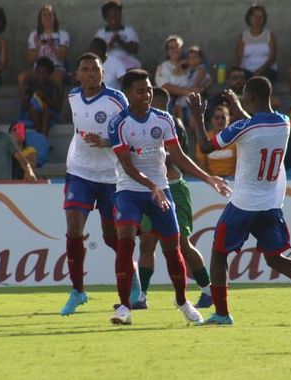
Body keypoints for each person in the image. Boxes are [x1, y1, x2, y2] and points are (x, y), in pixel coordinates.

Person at [187, 76, 291, 326]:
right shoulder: (285, 122)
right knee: (275, 258)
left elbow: (204, 147)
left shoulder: (243, 128)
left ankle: (222, 314)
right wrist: (240, 110)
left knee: (218, 253)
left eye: (244, 96)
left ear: (250, 98)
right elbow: (258, 125)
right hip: (270, 204)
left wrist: (196, 115)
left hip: (244, 204)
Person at [107, 69, 231, 325]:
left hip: (161, 190)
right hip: (129, 190)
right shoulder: (118, 123)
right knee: (126, 241)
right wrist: (151, 185)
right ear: (129, 94)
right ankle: (125, 307)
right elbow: (127, 165)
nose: (147, 95)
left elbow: (179, 157)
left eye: (149, 89)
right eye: (141, 91)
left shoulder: (163, 120)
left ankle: (182, 301)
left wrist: (208, 178)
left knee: (173, 248)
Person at [59, 52, 132, 315]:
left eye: (95, 69)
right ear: (78, 74)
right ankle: (78, 291)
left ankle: (130, 278)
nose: (91, 73)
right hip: (80, 171)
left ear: (103, 73)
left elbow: (130, 133)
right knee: (74, 228)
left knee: (111, 236)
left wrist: (107, 142)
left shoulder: (116, 99)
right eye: (85, 69)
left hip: (111, 176)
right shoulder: (73, 97)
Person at [135, 87, 214, 310]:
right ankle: (141, 296)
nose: (149, 104)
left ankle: (208, 290)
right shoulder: (141, 125)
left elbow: (170, 158)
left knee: (181, 243)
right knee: (147, 242)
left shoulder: (172, 124)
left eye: (154, 101)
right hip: (151, 191)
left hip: (174, 189)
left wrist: (135, 152)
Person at [17, 5, 70, 99]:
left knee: (58, 78)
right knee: (22, 77)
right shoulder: (34, 35)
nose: (47, 18)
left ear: (54, 18)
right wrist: (37, 47)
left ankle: (57, 109)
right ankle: (26, 106)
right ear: (40, 19)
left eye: (50, 15)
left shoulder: (63, 34)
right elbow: (30, 60)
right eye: (44, 15)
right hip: (38, 70)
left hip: (56, 69)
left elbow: (62, 57)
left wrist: (52, 46)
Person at [235, 3, 278, 82]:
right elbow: (239, 59)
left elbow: (272, 58)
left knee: (262, 80)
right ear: (249, 18)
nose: (258, 19)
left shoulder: (270, 35)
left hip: (266, 70)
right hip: (247, 70)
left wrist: (259, 71)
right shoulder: (243, 36)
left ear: (264, 19)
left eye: (261, 17)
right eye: (255, 16)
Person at [95, 1, 141, 71]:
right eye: (110, 15)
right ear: (106, 17)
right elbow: (96, 53)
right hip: (107, 63)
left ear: (120, 15)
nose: (113, 17)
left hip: (127, 63)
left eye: (116, 15)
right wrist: (111, 43)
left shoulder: (129, 30)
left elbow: (135, 50)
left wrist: (120, 41)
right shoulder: (100, 33)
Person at [22, 57, 60, 136]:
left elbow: (55, 106)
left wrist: (44, 96)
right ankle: (41, 137)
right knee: (34, 112)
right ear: (35, 72)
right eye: (39, 72)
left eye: (44, 73)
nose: (41, 75)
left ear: (50, 73)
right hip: (32, 110)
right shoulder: (30, 85)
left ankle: (43, 139)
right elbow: (24, 106)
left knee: (45, 113)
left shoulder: (53, 87)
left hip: (49, 111)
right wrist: (32, 101)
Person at [196, 105, 237, 177]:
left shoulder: (236, 138)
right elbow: (201, 165)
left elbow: (241, 163)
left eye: (223, 118)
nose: (220, 120)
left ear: (229, 119)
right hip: (211, 180)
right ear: (212, 120)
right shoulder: (204, 139)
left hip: (234, 179)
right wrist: (211, 179)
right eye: (217, 117)